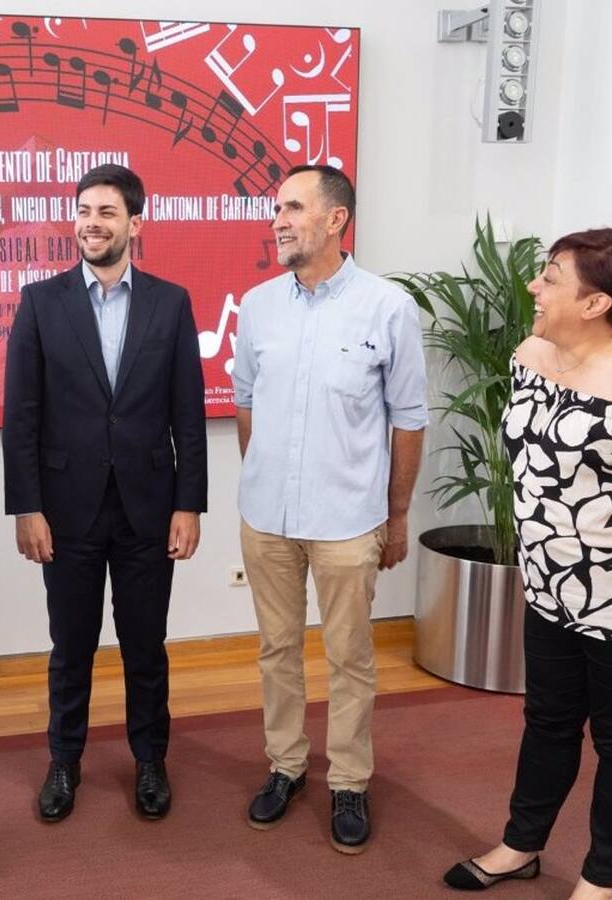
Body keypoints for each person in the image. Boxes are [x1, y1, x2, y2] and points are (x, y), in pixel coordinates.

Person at [443, 229, 612, 900]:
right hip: (547, 586)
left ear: (596, 301)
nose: (533, 286)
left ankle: (600, 883)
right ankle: (520, 846)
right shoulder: (531, 354)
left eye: (550, 277)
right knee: (547, 721)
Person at [231, 164, 427, 853]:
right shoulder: (257, 306)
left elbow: (408, 419)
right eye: (276, 208)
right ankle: (285, 766)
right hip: (267, 521)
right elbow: (246, 404)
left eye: (293, 207)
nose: (278, 220)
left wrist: (396, 516)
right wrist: (261, 479)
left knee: (350, 657)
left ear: (336, 219)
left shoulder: (388, 307)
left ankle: (348, 780)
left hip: (349, 521)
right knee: (276, 650)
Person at [2, 164, 207, 822]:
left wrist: (189, 504)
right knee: (72, 644)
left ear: (135, 224)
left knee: (147, 644)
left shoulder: (170, 303)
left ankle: (151, 759)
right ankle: (64, 759)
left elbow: (188, 414)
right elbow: (22, 416)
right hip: (66, 510)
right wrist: (26, 507)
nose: (92, 221)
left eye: (107, 212)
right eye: (84, 210)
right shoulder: (40, 301)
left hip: (150, 503)